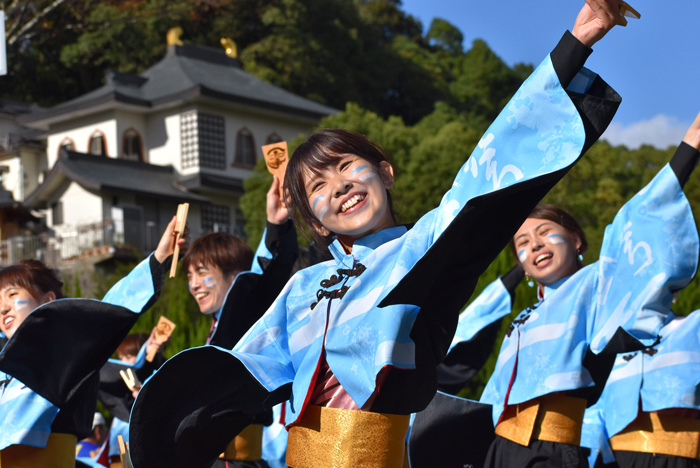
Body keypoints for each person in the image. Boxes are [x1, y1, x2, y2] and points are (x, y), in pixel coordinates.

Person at [129, 2, 625, 467]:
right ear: (317, 222)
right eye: (318, 186)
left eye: (348, 166)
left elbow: (488, 169)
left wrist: (577, 41)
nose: (340, 185)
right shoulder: (304, 287)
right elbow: (239, 370)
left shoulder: (422, 245)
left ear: (385, 173)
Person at [478, 111, 700, 467]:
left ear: (577, 241)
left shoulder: (594, 285)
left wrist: (687, 151)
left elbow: (637, 228)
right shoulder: (520, 319)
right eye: (522, 242)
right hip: (500, 450)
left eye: (545, 232)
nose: (534, 244)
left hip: (552, 450)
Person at [0, 217, 184, 467]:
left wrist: (159, 259)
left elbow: (109, 310)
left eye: (12, 295)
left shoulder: (67, 348)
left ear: (48, 301)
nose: (3, 308)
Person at [182, 175, 298, 468]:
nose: (194, 285)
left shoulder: (249, 313)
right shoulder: (218, 327)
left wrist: (276, 225)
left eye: (203, 272)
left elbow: (266, 272)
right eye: (189, 277)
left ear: (236, 278)